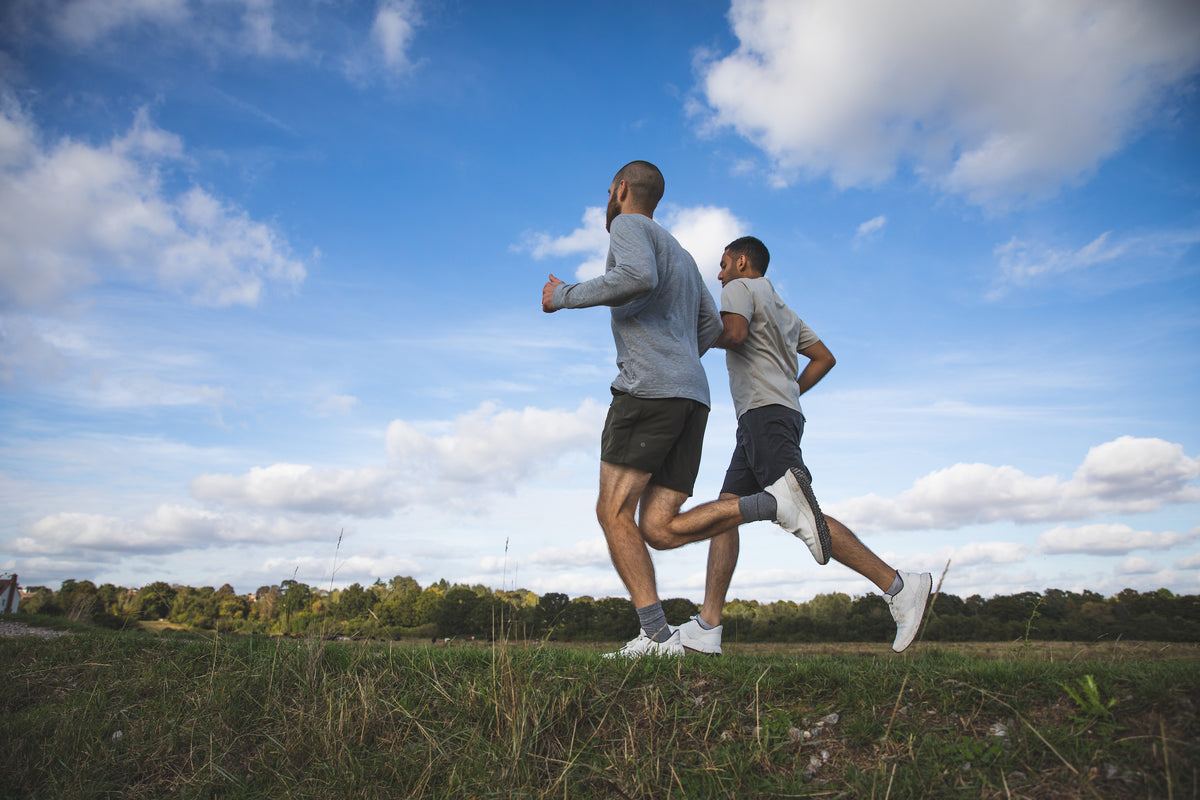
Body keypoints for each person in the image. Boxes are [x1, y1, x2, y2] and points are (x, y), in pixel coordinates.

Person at [541, 163, 830, 658]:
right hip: (691, 397)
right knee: (657, 528)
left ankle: (654, 636)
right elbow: (708, 327)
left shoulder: (628, 226)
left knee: (612, 511)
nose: (608, 198)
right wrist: (677, 361)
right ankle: (770, 505)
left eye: (609, 190)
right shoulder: (685, 253)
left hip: (648, 392)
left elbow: (635, 277)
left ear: (623, 190)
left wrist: (563, 296)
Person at [655, 236, 931, 655]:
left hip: (765, 418)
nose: (719, 272)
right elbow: (824, 358)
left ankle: (899, 586)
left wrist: (684, 337)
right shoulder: (782, 309)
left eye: (724, 263)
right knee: (726, 510)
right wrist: (792, 393)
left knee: (801, 512)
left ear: (742, 261)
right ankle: (708, 625)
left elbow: (734, 332)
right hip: (768, 417)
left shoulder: (739, 289)